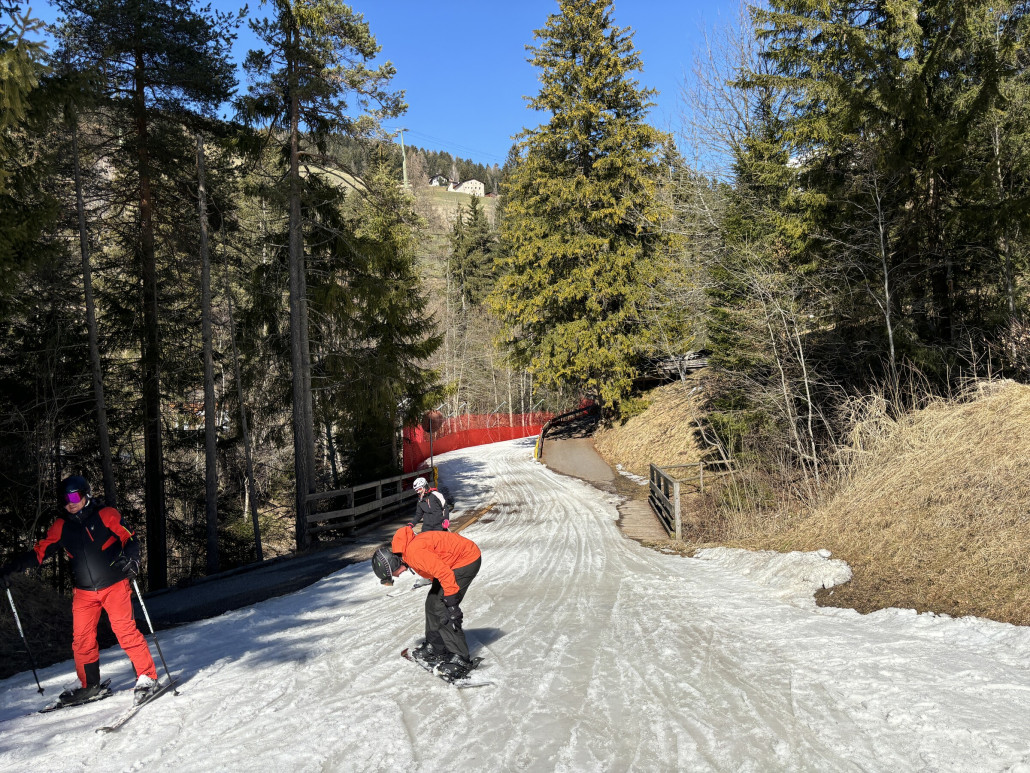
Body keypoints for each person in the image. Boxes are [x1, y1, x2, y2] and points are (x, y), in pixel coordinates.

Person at [0, 475, 159, 705]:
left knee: (124, 631)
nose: (70, 502)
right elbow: (38, 553)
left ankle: (147, 677)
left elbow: (129, 537)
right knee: (81, 639)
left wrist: (132, 559)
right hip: (84, 592)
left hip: (114, 584)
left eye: (74, 496)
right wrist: (10, 569)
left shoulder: (106, 514)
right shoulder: (61, 527)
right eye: (65, 499)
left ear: (86, 494)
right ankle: (89, 685)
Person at [372, 524, 481, 678]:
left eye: (392, 574)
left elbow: (444, 574)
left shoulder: (414, 553)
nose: (396, 577)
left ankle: (460, 659)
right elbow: (434, 569)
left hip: (466, 561)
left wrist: (451, 602)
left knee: (443, 608)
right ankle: (435, 647)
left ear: (394, 563)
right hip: (451, 564)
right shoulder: (408, 553)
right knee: (432, 604)